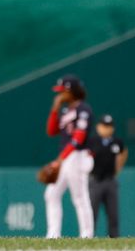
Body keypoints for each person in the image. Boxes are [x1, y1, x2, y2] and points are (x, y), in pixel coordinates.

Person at [44, 73, 95, 238]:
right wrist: (55, 108)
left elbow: (79, 137)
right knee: (51, 194)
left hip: (78, 156)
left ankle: (87, 236)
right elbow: (51, 131)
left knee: (79, 197)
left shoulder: (84, 109)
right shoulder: (67, 110)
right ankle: (53, 234)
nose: (59, 94)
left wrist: (60, 158)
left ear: (71, 91)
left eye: (62, 92)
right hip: (66, 157)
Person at [89, 114, 128, 238]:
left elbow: (124, 152)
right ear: (98, 127)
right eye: (104, 126)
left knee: (113, 214)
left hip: (110, 181)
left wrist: (118, 169)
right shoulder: (92, 141)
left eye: (109, 126)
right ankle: (88, 237)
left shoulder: (117, 142)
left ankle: (114, 239)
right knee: (91, 214)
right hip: (95, 181)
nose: (106, 129)